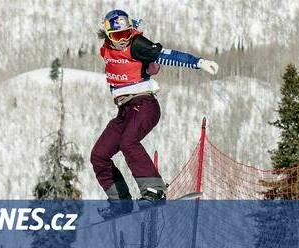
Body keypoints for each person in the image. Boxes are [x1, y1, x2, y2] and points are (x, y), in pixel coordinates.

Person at [90, 9, 218, 219]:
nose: (123, 41)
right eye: (117, 36)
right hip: (125, 110)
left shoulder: (137, 44)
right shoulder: (106, 49)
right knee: (99, 155)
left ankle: (155, 190)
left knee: (128, 142)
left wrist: (199, 62)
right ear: (107, 35)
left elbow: (167, 55)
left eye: (126, 34)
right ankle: (121, 203)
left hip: (145, 104)